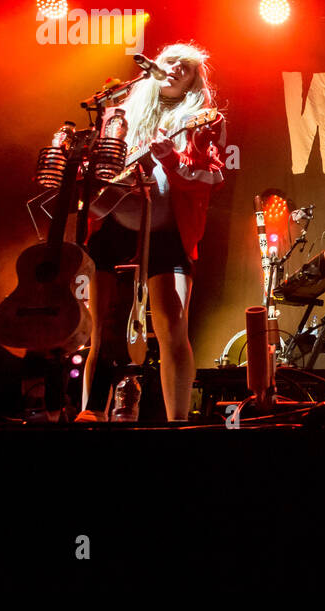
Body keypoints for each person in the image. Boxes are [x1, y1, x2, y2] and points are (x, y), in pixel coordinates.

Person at [77, 42, 226, 422]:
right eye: (171, 61)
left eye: (187, 68)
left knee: (173, 327)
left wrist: (170, 159)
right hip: (113, 222)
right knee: (100, 330)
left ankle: (178, 421)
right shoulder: (118, 112)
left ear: (194, 80)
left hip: (167, 230)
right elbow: (94, 168)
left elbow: (212, 176)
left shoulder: (204, 120)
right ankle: (90, 415)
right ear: (156, 65)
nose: (176, 69)